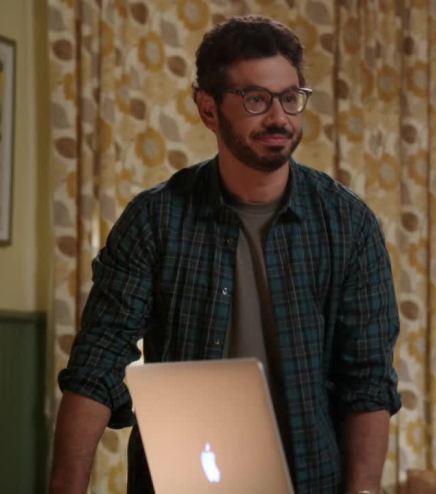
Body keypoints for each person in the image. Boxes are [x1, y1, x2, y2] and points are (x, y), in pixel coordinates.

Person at [49, 15, 401, 494]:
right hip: (179, 482)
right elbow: (97, 364)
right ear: (207, 109)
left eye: (290, 98)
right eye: (255, 99)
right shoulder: (154, 219)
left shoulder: (348, 224)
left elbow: (367, 382)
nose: (279, 117)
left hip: (310, 481)